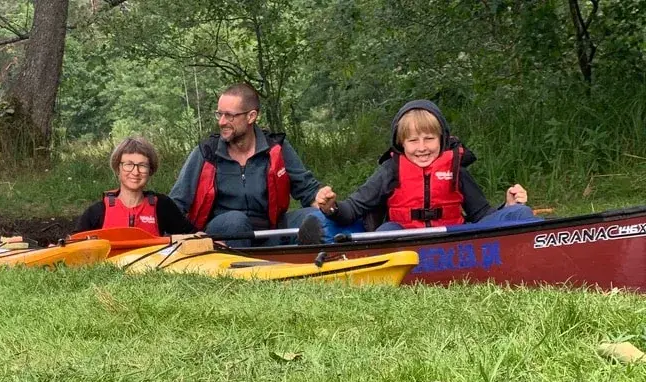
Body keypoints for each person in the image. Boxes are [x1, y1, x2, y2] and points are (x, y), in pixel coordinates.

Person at [322, 99, 537, 232]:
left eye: (429, 139)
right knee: (385, 230)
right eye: (413, 141)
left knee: (520, 212)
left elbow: (481, 215)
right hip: (404, 239)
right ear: (401, 143)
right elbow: (353, 208)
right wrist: (331, 207)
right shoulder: (390, 170)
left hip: (451, 237)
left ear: (442, 139)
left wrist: (508, 207)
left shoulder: (456, 169)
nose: (422, 148)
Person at [169, 83, 337, 247]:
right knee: (236, 220)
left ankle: (313, 264)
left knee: (314, 217)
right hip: (222, 231)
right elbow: (175, 205)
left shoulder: (276, 148)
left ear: (251, 116)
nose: (221, 122)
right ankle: (238, 269)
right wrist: (186, 236)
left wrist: (323, 201)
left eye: (229, 116)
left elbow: (308, 192)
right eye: (219, 114)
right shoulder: (206, 152)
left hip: (269, 231)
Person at [75, 136, 195, 237]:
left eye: (142, 165)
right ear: (118, 168)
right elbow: (73, 244)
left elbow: (191, 235)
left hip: (150, 264)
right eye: (129, 165)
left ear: (150, 170)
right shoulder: (98, 211)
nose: (135, 172)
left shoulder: (162, 205)